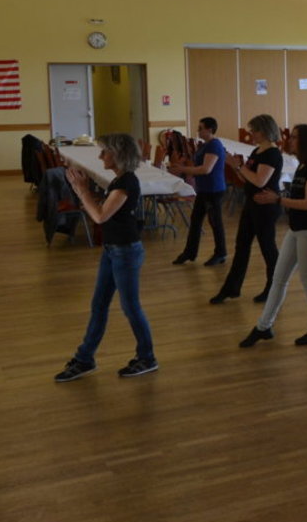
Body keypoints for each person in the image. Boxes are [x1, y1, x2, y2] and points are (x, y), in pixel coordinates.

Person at [54, 133, 159, 382]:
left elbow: (100, 216)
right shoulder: (119, 180)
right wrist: (84, 193)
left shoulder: (126, 183)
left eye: (105, 152)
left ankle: (147, 357)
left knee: (130, 307)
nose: (101, 156)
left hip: (126, 252)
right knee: (99, 305)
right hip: (113, 250)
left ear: (118, 155)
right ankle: (85, 358)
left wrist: (82, 191)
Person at [238, 124, 307, 348]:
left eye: (295, 137)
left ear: (306, 141)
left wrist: (277, 199)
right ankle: (263, 327)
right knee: (279, 279)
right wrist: (279, 196)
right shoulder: (303, 165)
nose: (290, 140)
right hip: (297, 228)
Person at [211, 114, 283, 305]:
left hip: (265, 207)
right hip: (252, 204)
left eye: (254, 130)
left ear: (264, 131)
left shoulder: (272, 154)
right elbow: (247, 179)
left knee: (268, 248)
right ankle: (231, 288)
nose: (251, 134)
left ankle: (274, 289)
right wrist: (235, 168)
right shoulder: (257, 151)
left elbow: (260, 181)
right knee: (241, 245)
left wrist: (239, 166)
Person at [169, 117, 227, 266]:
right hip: (204, 189)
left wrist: (183, 169)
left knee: (215, 222)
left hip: (213, 189)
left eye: (201, 128)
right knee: (195, 221)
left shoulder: (214, 145)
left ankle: (221, 253)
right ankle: (190, 252)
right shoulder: (205, 145)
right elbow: (198, 165)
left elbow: (205, 169)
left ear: (210, 130)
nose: (198, 130)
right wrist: (184, 165)